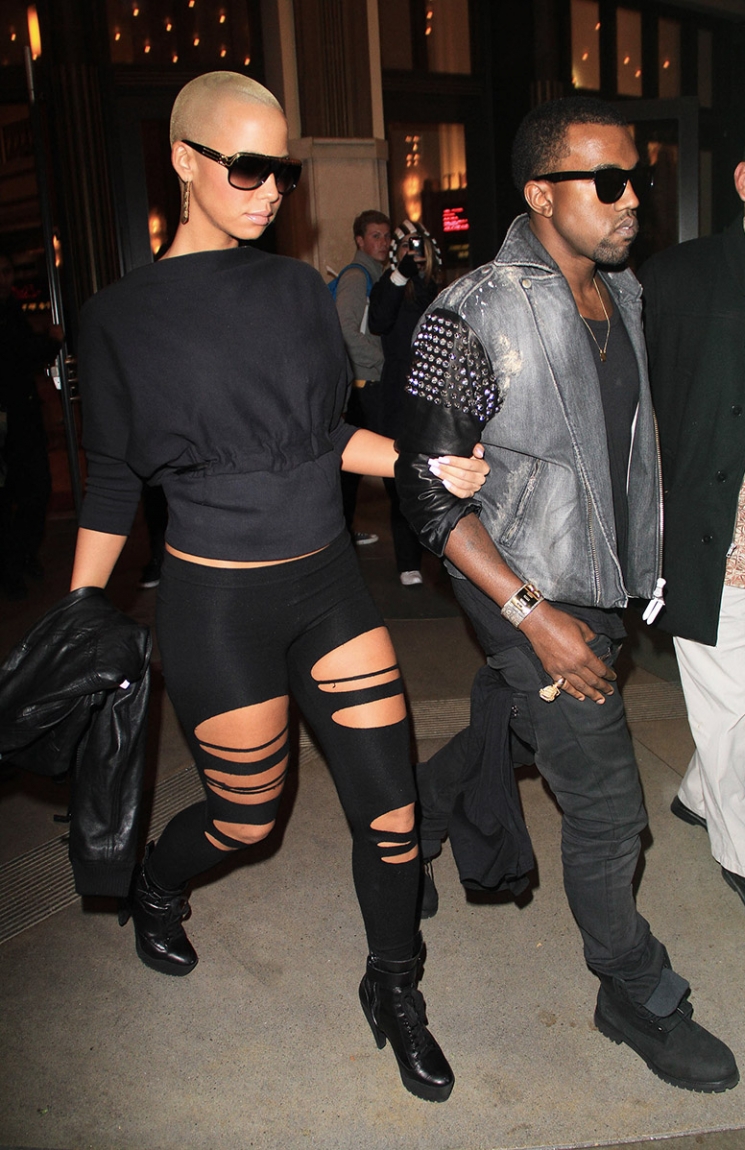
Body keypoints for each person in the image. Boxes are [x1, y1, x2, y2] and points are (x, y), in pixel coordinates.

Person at [69, 70, 489, 1103]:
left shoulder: (300, 290)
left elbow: (327, 437)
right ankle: (156, 884)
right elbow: (113, 484)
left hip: (328, 588)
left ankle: (395, 985)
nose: (269, 192)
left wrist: (423, 465)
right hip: (218, 609)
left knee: (391, 814)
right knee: (246, 819)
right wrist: (80, 619)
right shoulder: (119, 318)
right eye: (247, 168)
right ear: (184, 161)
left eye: (283, 172)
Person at [394, 95, 739, 1093]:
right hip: (523, 587)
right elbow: (426, 494)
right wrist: (531, 616)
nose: (632, 199)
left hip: (599, 582)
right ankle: (630, 986)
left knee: (515, 728)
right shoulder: (471, 311)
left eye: (638, 179)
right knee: (608, 808)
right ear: (542, 193)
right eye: (609, 181)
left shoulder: (623, 295)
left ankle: (410, 819)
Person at [639, 117, 745, 925]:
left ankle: (697, 792)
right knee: (730, 701)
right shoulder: (678, 279)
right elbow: (631, 407)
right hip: (718, 538)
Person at [369, 219, 441, 586]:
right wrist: (400, 275)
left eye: (419, 244)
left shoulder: (433, 288)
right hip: (399, 390)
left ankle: (435, 545)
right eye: (406, 244)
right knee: (400, 472)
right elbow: (378, 322)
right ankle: (407, 560)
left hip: (431, 391)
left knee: (435, 472)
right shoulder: (389, 284)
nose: (413, 251)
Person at [0, 252, 61, 599]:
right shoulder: (8, 314)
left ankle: (21, 558)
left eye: (7, 271)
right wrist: (50, 341)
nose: (4, 279)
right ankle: (13, 566)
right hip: (8, 421)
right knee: (15, 494)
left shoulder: (12, 310)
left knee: (35, 489)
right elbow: (17, 356)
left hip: (21, 418)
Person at [334, 209, 391, 546]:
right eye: (375, 236)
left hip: (366, 382)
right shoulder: (358, 277)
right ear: (360, 240)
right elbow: (345, 330)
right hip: (364, 384)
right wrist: (384, 360)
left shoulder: (375, 274)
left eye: (386, 236)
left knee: (351, 470)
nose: (383, 242)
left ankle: (343, 533)